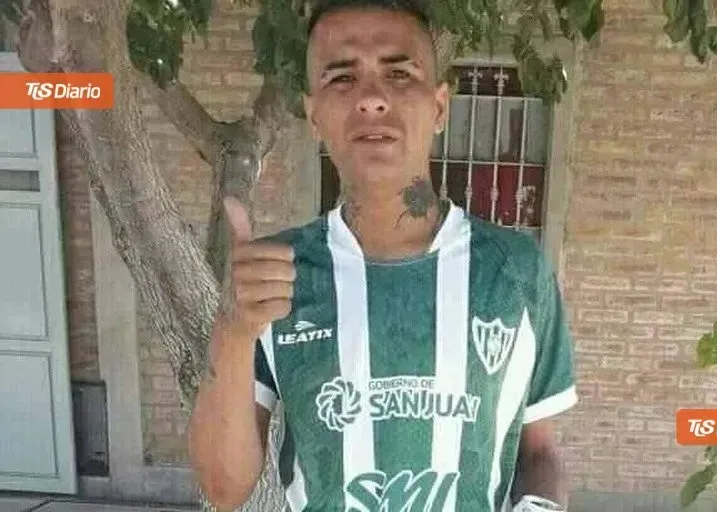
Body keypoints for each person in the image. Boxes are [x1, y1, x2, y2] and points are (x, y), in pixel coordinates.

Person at [187, 0, 579, 510]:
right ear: (313, 114)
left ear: (439, 107)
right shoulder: (276, 276)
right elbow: (224, 489)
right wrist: (232, 331)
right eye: (342, 78)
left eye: (398, 74)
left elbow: (539, 449)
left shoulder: (516, 271)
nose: (372, 99)